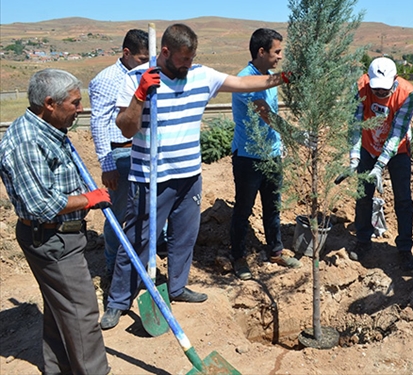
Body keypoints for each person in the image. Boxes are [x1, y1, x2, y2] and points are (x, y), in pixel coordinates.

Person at [100, 23, 289, 330]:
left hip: (189, 175)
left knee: (183, 237)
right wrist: (139, 96)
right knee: (138, 239)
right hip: (150, 176)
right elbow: (126, 128)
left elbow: (242, 84)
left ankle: (176, 287)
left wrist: (282, 78)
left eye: (192, 57)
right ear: (165, 52)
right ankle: (118, 301)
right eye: (182, 59)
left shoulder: (201, 75)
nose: (188, 64)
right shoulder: (135, 79)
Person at [0, 69, 111, 374]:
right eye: (75, 103)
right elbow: (40, 204)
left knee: (59, 308)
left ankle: (59, 368)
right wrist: (89, 199)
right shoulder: (27, 142)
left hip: (61, 236)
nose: (81, 108)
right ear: (49, 103)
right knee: (82, 313)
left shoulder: (48, 129)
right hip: (52, 239)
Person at [230, 28, 301, 280]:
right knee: (244, 208)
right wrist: (296, 136)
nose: (280, 56)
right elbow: (265, 113)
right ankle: (238, 257)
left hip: (271, 154)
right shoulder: (245, 80)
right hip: (248, 156)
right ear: (262, 52)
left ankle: (275, 250)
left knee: (273, 206)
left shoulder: (270, 77)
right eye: (277, 51)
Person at [348, 57, 413, 271]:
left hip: (398, 150)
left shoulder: (407, 94)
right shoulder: (360, 88)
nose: (379, 94)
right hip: (368, 147)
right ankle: (363, 240)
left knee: (403, 199)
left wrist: (380, 167)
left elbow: (397, 133)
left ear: (395, 80)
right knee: (363, 196)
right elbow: (355, 125)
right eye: (376, 90)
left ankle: (405, 248)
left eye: (384, 90)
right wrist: (354, 158)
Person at [89, 28, 149, 275]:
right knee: (118, 214)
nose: (146, 65)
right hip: (121, 155)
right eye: (142, 60)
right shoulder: (106, 79)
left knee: (146, 209)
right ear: (126, 53)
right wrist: (108, 165)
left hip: (145, 153)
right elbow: (99, 123)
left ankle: (143, 260)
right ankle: (113, 266)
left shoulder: (149, 76)